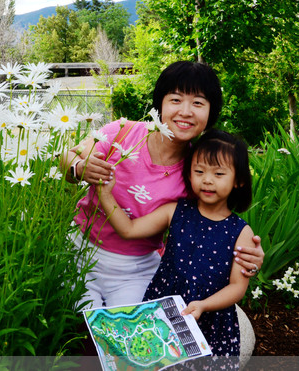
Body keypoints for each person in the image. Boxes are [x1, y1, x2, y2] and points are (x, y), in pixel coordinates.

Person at [61, 61, 263, 309]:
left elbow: (211, 227)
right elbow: (67, 157)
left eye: (198, 103)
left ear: (211, 112)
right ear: (160, 104)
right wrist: (78, 168)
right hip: (80, 250)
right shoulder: (122, 132)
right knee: (77, 325)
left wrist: (246, 255)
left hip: (135, 270)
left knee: (129, 336)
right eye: (176, 100)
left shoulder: (197, 172)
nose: (186, 112)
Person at [96, 129, 253, 363]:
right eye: (199, 171)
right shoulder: (176, 211)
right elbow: (129, 229)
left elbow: (237, 288)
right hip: (165, 310)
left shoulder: (241, 231)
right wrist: (105, 194)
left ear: (238, 180)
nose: (207, 180)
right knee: (156, 361)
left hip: (210, 320)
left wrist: (203, 305)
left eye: (219, 174)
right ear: (189, 173)